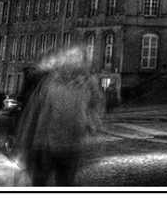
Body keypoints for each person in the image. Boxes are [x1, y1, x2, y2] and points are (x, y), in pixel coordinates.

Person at [12, 45, 104, 186]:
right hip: (45, 145)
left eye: (79, 59)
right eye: (71, 58)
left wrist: (91, 123)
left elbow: (96, 107)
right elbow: (34, 113)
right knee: (40, 183)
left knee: (65, 183)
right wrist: (24, 143)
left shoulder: (88, 84)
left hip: (72, 145)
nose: (75, 62)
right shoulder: (50, 83)